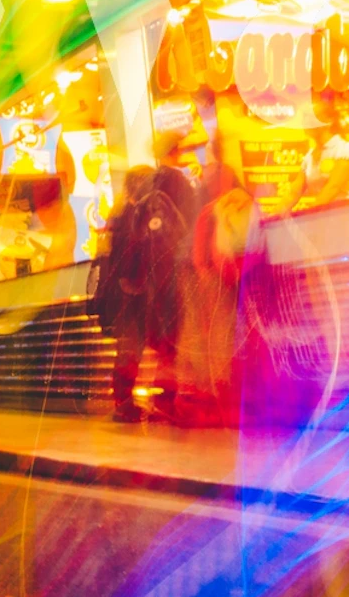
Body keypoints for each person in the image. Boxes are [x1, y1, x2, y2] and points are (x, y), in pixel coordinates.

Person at [94, 166, 190, 423]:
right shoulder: (140, 213)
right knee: (152, 347)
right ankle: (149, 402)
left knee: (137, 348)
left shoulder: (119, 215)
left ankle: (130, 402)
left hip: (129, 293)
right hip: (138, 292)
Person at [185, 164, 259, 425]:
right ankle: (248, 393)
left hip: (218, 280)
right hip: (249, 277)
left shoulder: (209, 211)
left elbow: (199, 255)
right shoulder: (249, 203)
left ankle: (223, 394)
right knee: (248, 334)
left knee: (220, 337)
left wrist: (204, 275)